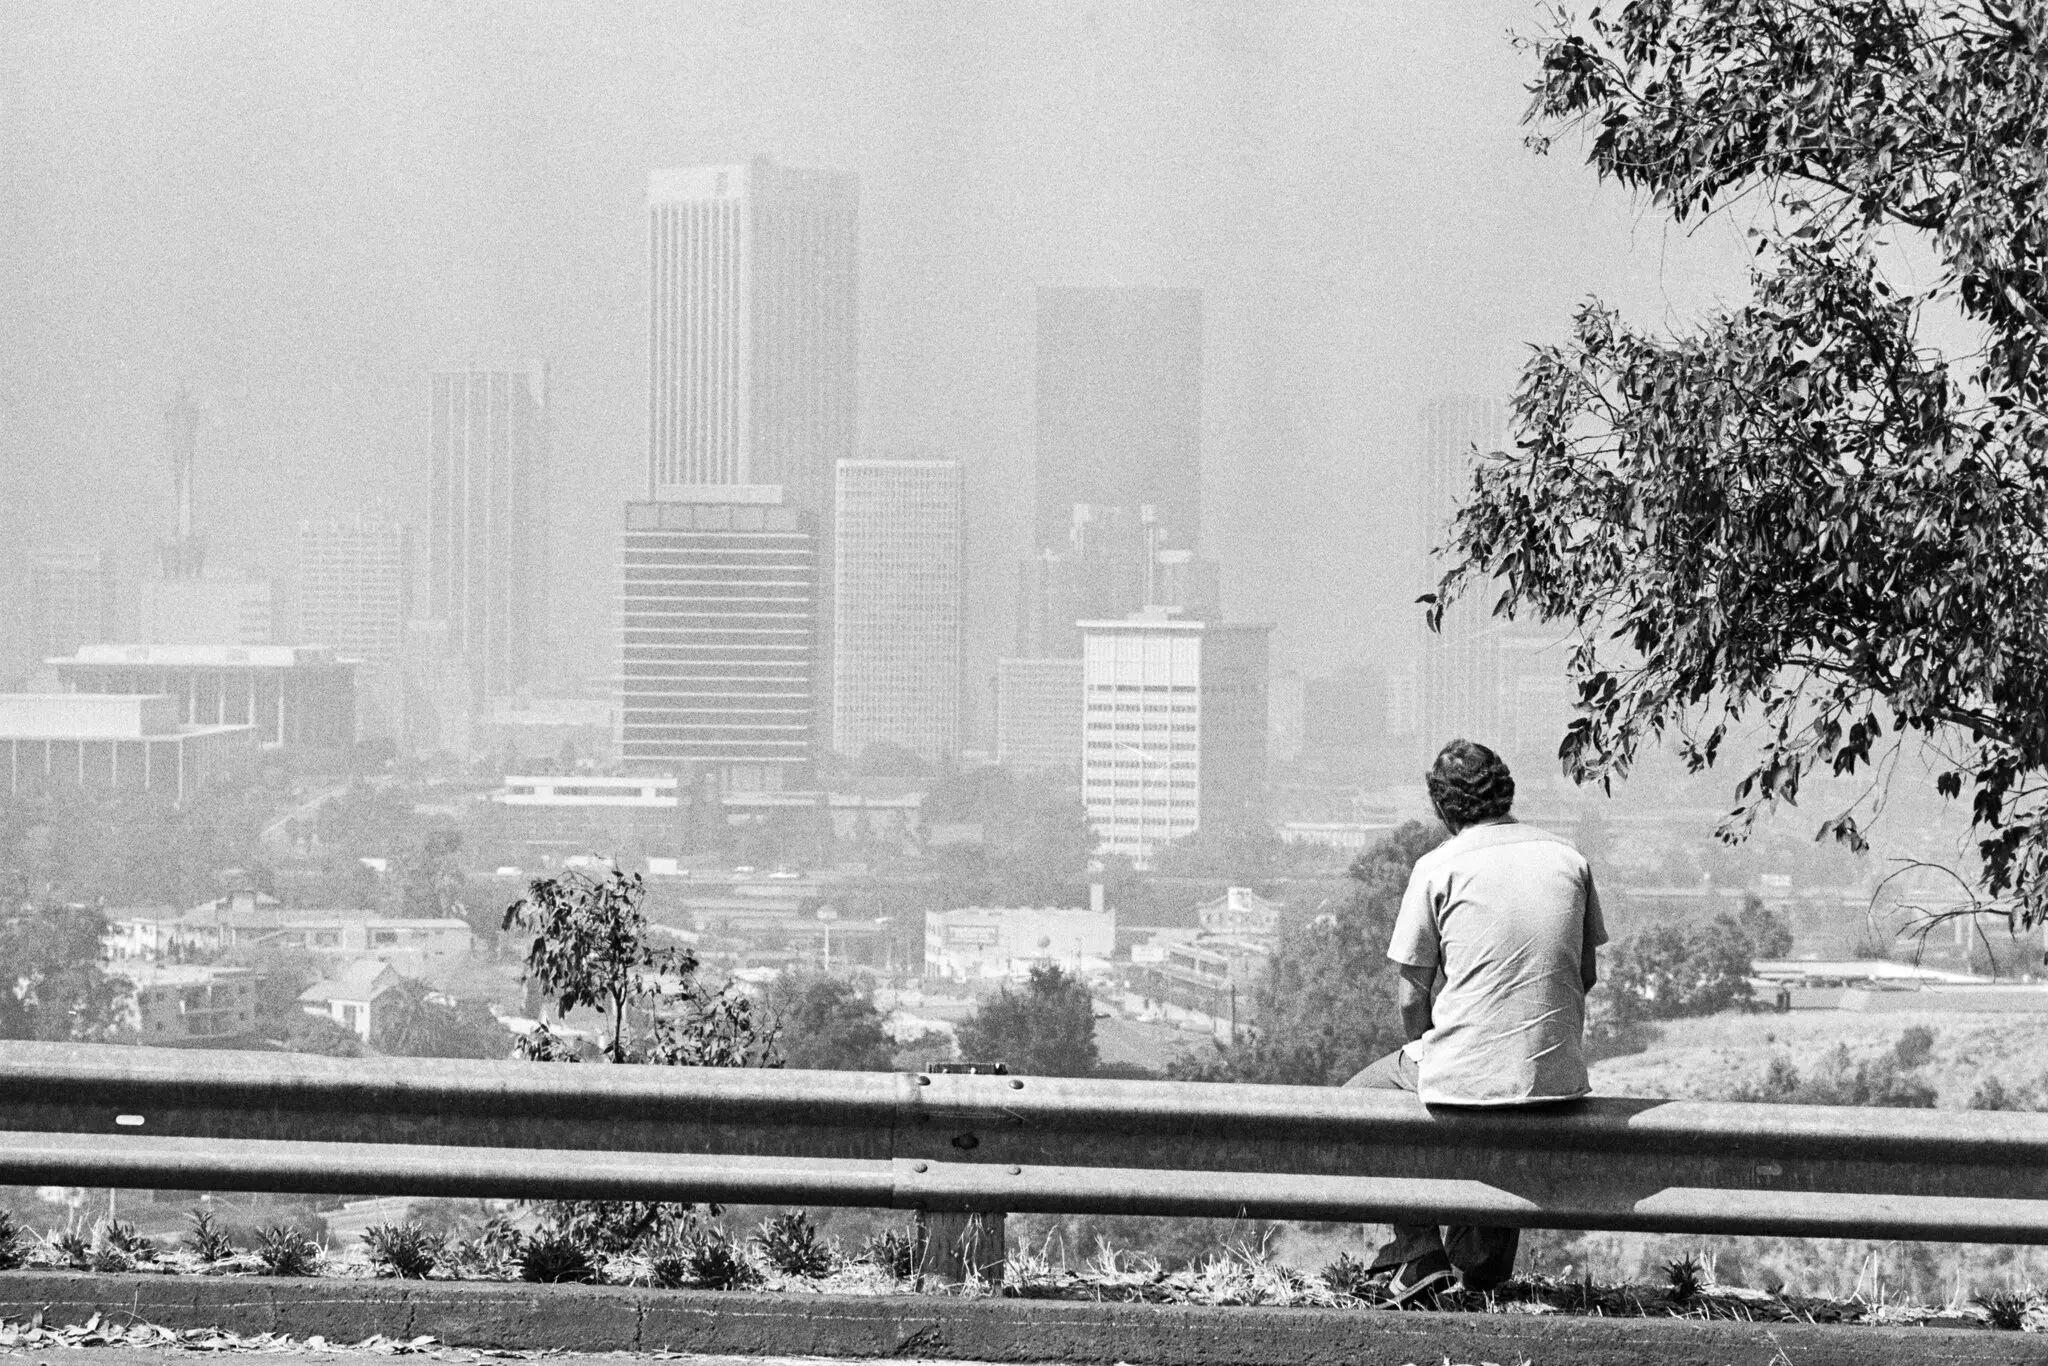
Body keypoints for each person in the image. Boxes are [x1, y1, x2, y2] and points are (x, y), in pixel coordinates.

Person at [1345, 738, 1606, 1305]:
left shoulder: (1439, 866)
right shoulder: (1570, 860)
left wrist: (1425, 1049)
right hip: (1557, 1079)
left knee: (1350, 1107)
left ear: (1443, 809)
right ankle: (1482, 1271)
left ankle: (1418, 1254)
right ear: (1506, 791)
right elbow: (1583, 974)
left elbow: (1411, 995)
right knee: (1507, 1094)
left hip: (1468, 1077)